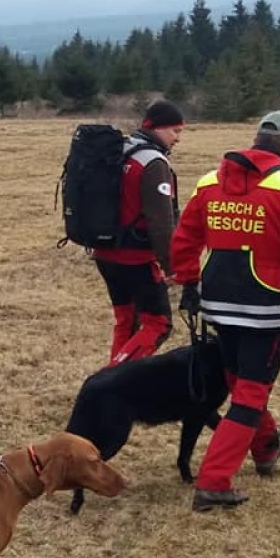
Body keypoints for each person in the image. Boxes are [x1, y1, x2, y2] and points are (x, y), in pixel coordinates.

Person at [169, 110, 280, 512]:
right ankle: (214, 481)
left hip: (217, 302)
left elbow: (184, 238)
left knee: (241, 382)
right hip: (266, 308)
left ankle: (267, 445)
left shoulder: (210, 181)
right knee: (251, 394)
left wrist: (189, 282)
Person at [93, 100, 184, 366]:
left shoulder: (120, 150)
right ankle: (113, 380)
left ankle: (111, 383)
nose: (178, 138)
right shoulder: (153, 163)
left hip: (105, 252)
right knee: (159, 324)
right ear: (157, 128)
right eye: (175, 131)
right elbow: (160, 222)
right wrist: (172, 266)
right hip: (136, 259)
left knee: (127, 320)